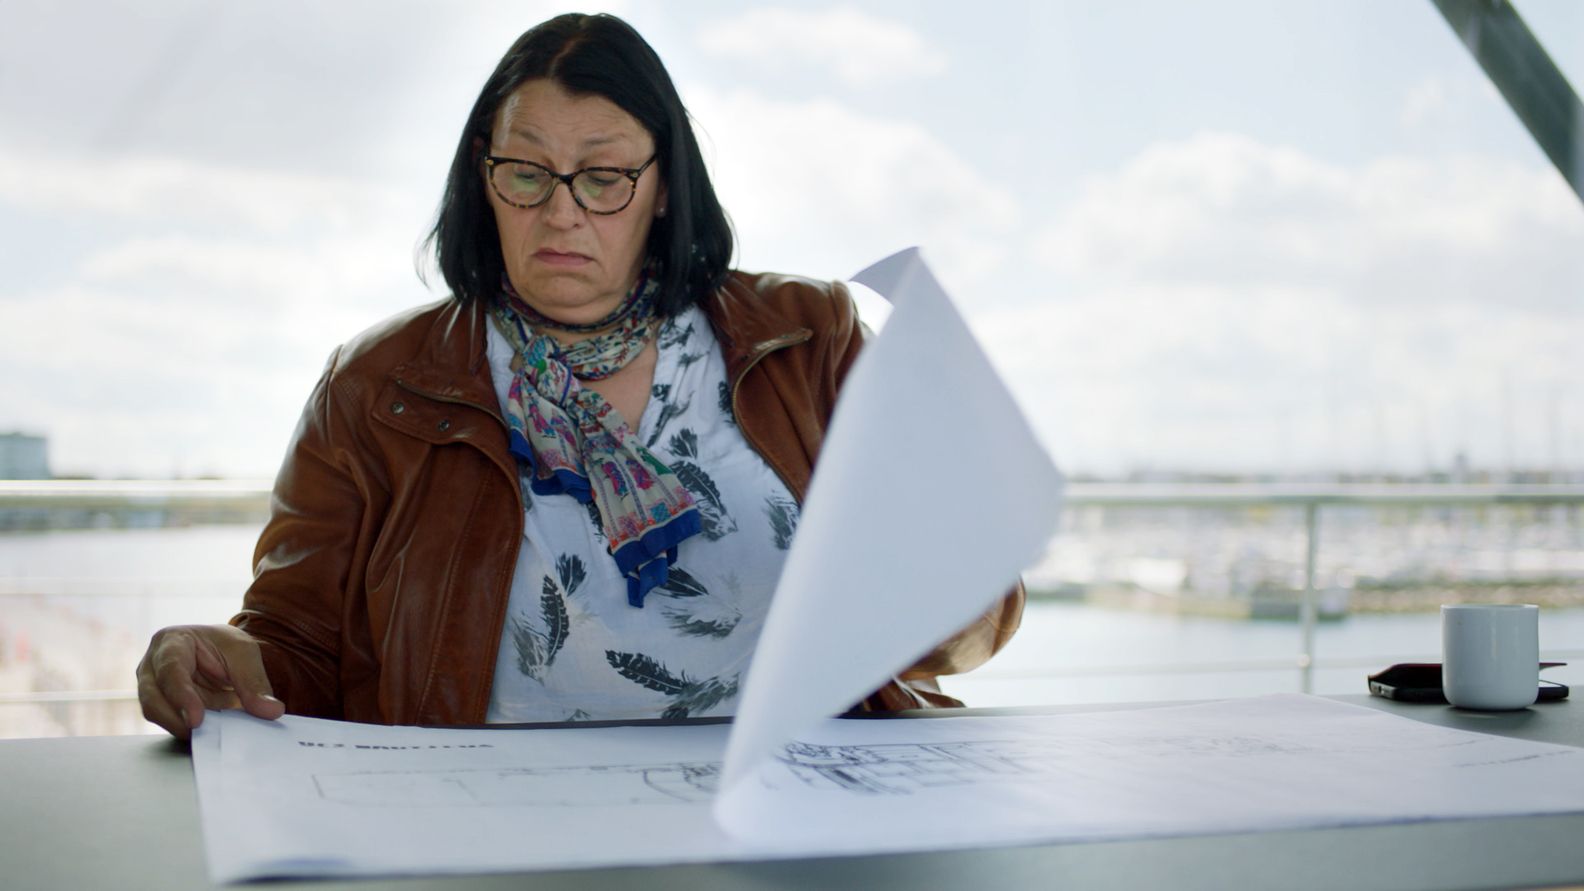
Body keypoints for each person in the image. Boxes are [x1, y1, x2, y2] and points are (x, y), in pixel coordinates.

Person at [136, 12, 1024, 740]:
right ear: (484, 177)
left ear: (665, 185)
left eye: (603, 177)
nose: (561, 211)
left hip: (796, 808)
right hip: (481, 824)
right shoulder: (376, 387)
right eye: (526, 172)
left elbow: (969, 617)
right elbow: (294, 645)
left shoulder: (810, 341)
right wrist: (217, 654)